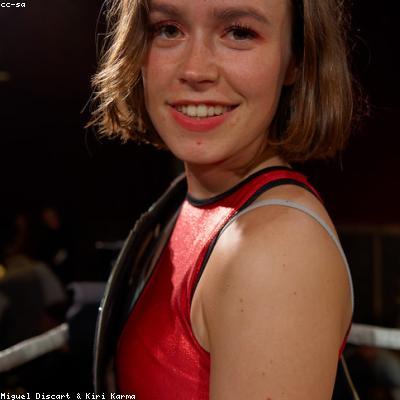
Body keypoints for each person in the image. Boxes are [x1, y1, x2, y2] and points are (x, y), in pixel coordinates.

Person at [89, 0, 357, 398]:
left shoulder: (276, 249)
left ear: (296, 60)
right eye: (168, 29)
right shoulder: (194, 201)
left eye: (239, 32)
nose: (195, 70)